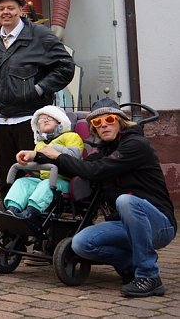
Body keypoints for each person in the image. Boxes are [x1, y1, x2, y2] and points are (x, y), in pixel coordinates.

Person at [18, 104, 176, 298]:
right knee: (81, 244)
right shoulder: (104, 150)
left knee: (126, 201)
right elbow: (80, 168)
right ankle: (131, 265)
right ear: (93, 129)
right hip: (124, 224)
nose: (104, 125)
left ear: (120, 122)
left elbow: (96, 170)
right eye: (97, 122)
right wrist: (38, 155)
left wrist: (58, 155)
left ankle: (149, 276)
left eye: (109, 120)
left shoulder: (136, 145)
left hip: (159, 224)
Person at [0, 0, 75, 196]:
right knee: (6, 176)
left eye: (10, 7)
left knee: (31, 174)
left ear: (20, 10)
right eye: (1, 9)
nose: (5, 12)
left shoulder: (40, 35)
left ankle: (34, 223)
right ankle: (11, 227)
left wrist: (39, 88)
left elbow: (66, 66)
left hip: (31, 120)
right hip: (2, 119)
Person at [3, 105, 83, 225]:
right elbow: (38, 166)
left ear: (60, 121)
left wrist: (53, 148)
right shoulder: (39, 144)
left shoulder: (71, 136)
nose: (45, 120)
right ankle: (12, 210)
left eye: (50, 118)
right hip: (43, 179)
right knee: (22, 182)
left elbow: (74, 156)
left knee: (45, 185)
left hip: (64, 181)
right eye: (41, 120)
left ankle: (31, 213)